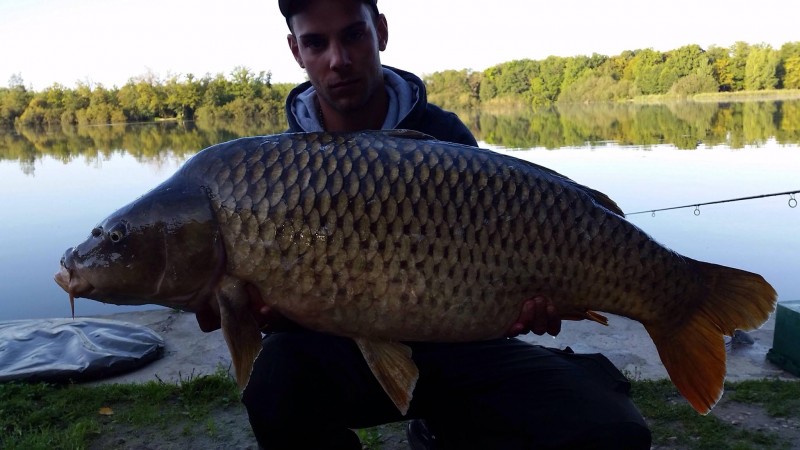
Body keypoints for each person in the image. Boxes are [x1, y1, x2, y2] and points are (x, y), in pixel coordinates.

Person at [225, 0, 652, 448]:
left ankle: (442, 429)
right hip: (347, 353)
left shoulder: (444, 138)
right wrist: (271, 313)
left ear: (380, 31)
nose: (338, 59)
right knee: (272, 375)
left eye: (353, 34)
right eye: (316, 43)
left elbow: (503, 265)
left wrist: (531, 301)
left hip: (461, 348)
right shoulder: (279, 172)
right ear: (296, 51)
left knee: (614, 432)